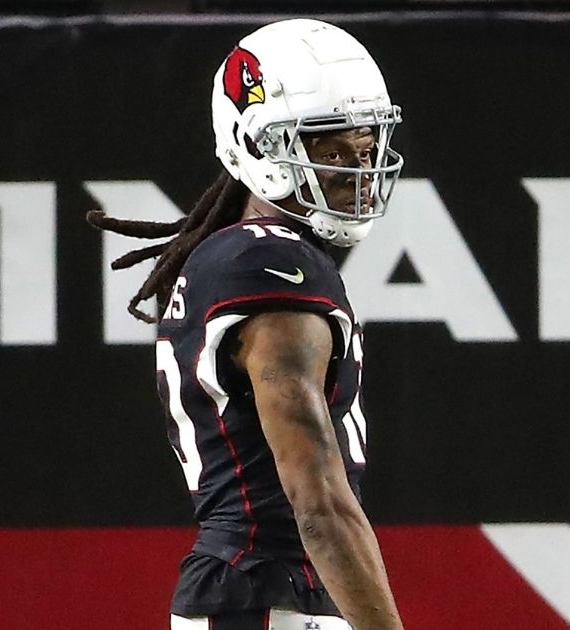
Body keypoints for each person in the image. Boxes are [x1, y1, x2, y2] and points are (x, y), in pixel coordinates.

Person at [87, 19, 405, 630]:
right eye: (329, 149)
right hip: (264, 593)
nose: (355, 169)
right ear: (257, 146)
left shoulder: (238, 254)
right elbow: (316, 505)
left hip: (263, 590)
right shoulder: (268, 262)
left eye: (364, 147)